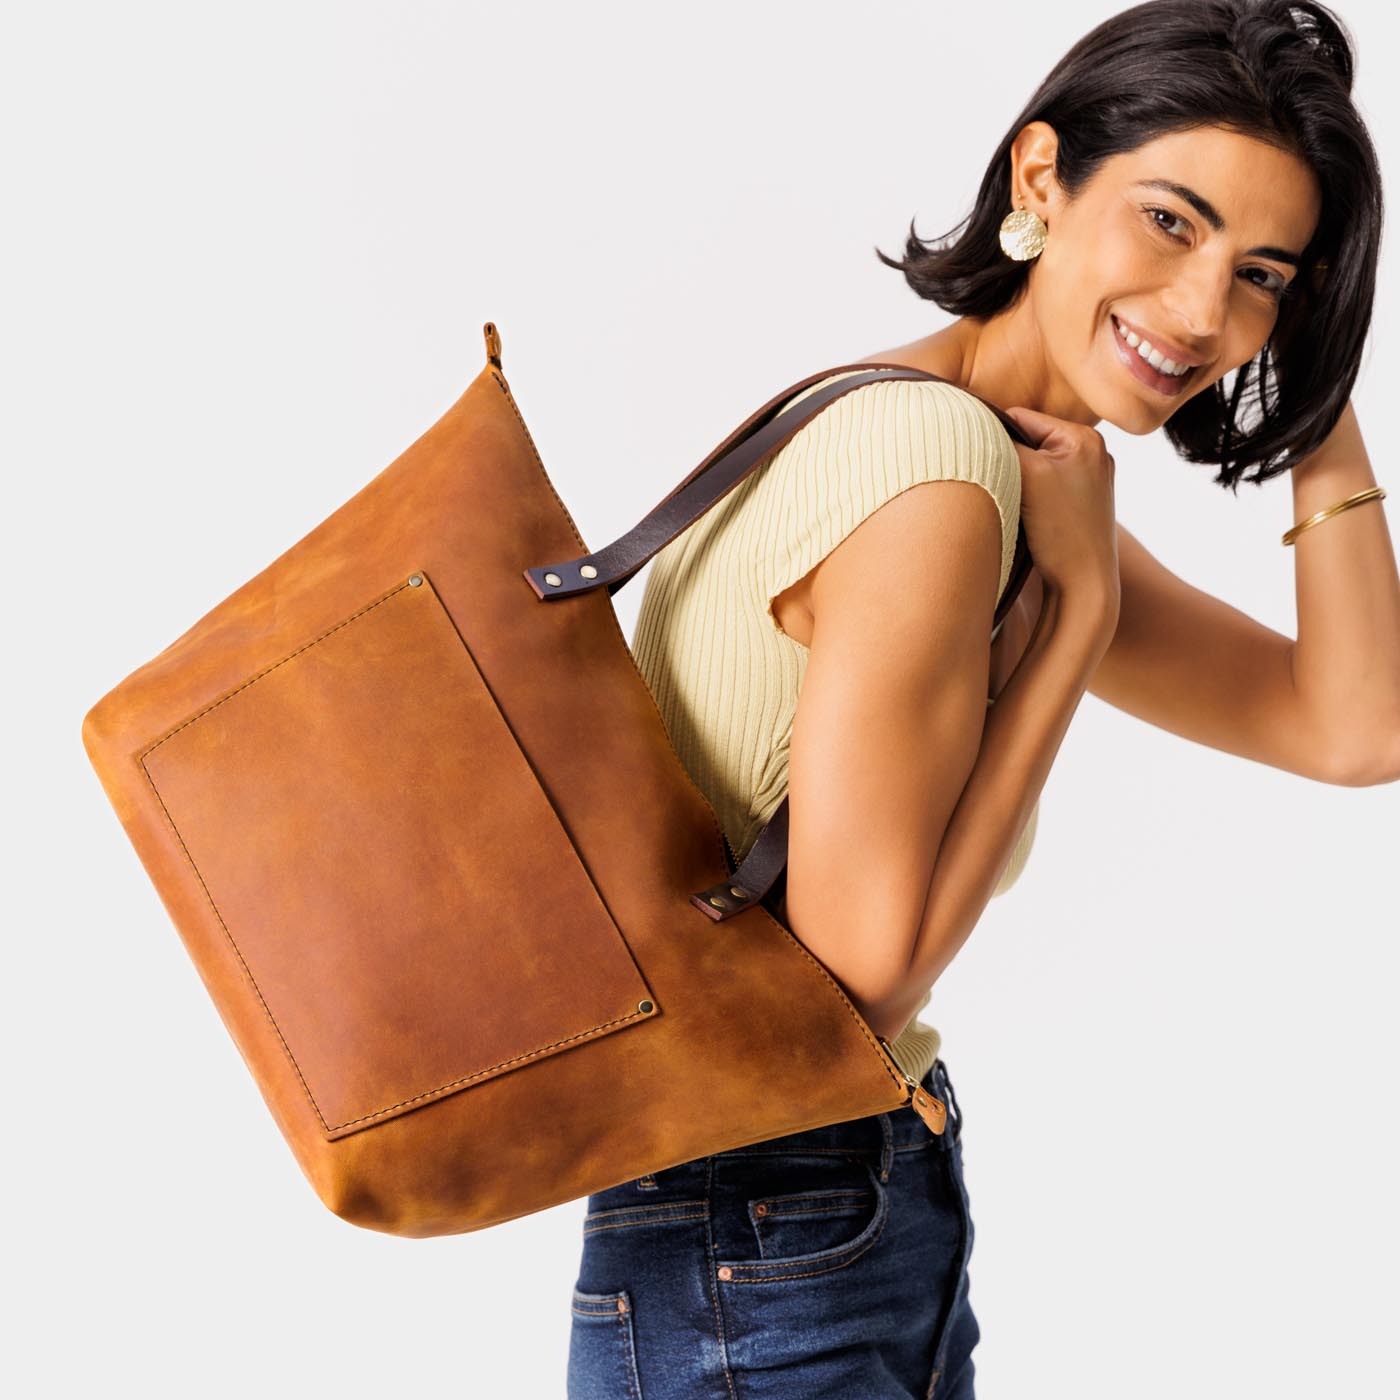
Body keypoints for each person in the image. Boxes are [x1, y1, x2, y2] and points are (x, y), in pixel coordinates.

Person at [568, 2, 1394, 1395]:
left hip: (819, 1213)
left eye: (1263, 275)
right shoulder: (938, 482)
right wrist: (1081, 624)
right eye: (1172, 222)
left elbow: (1355, 728)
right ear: (1040, 180)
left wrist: (1315, 395)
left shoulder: (979, 457)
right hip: (772, 1223)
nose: (1206, 315)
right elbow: (862, 977)